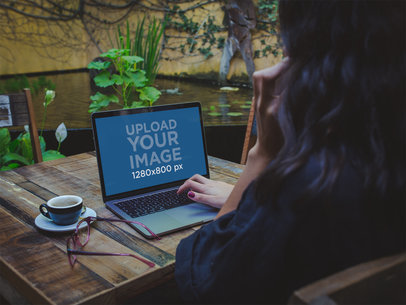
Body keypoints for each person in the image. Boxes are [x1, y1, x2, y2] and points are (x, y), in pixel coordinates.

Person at [175, 0, 406, 303]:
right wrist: (251, 200)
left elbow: (207, 278)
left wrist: (263, 156)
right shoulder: (379, 157)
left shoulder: (308, 190)